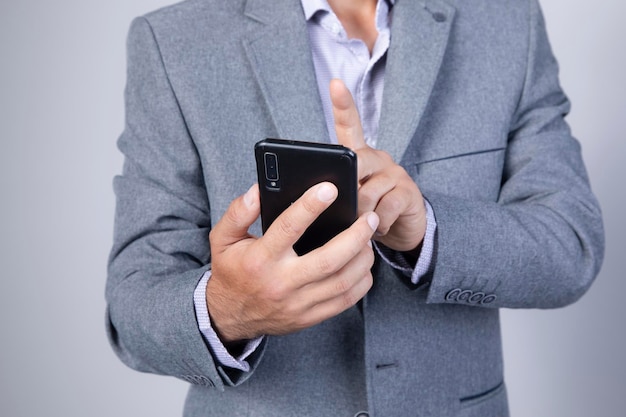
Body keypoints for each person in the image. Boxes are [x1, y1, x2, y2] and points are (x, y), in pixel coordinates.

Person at [106, 0, 604, 415]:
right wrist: (229, 309)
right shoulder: (172, 41)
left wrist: (428, 231)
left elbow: (571, 244)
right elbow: (133, 306)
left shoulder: (508, 21)